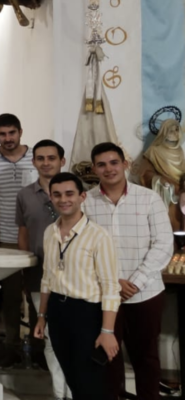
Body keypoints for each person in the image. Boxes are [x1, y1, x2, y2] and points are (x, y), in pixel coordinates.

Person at [84, 142, 173, 400]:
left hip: (146, 293)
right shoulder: (86, 202)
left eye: (114, 162)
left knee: (146, 357)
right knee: (107, 357)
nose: (108, 169)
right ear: (94, 169)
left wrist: (134, 281)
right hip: (103, 295)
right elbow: (84, 248)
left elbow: (163, 244)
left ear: (125, 164)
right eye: (101, 164)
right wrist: (113, 283)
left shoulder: (149, 198)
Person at [33, 172, 121, 399]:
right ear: (51, 198)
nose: (64, 199)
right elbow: (47, 277)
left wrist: (107, 331)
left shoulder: (98, 236)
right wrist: (42, 316)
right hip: (58, 311)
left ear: (82, 197)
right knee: (71, 377)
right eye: (57, 195)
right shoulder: (50, 232)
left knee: (89, 381)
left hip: (87, 314)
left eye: (70, 194)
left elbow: (111, 287)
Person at [0, 113, 35, 366]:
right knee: (10, 298)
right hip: (6, 238)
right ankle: (11, 346)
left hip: (36, 237)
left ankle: (38, 346)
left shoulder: (38, 157)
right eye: (2, 134)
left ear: (21, 131)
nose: (8, 138)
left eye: (11, 133)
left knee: (37, 295)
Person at [15, 139, 68, 397]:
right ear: (34, 162)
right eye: (40, 158)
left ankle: (75, 390)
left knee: (75, 337)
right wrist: (26, 270)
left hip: (77, 274)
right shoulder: (24, 195)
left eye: (51, 158)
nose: (46, 163)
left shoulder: (79, 192)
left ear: (62, 161)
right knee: (49, 335)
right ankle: (60, 393)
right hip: (40, 274)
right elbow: (23, 234)